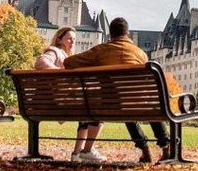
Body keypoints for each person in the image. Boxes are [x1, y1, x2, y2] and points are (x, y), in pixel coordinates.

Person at [64, 17, 171, 163]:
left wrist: (95, 66)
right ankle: (166, 149)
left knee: (123, 103)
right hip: (139, 105)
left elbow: (69, 62)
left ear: (111, 35)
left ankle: (145, 150)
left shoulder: (101, 51)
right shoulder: (140, 53)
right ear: (127, 34)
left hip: (110, 105)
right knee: (143, 105)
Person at [36, 27, 104, 162]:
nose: (72, 41)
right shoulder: (54, 51)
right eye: (69, 38)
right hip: (54, 102)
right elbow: (41, 62)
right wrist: (63, 73)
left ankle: (77, 154)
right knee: (95, 110)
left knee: (87, 111)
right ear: (59, 40)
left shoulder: (68, 56)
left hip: (54, 100)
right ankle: (85, 151)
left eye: (74, 39)